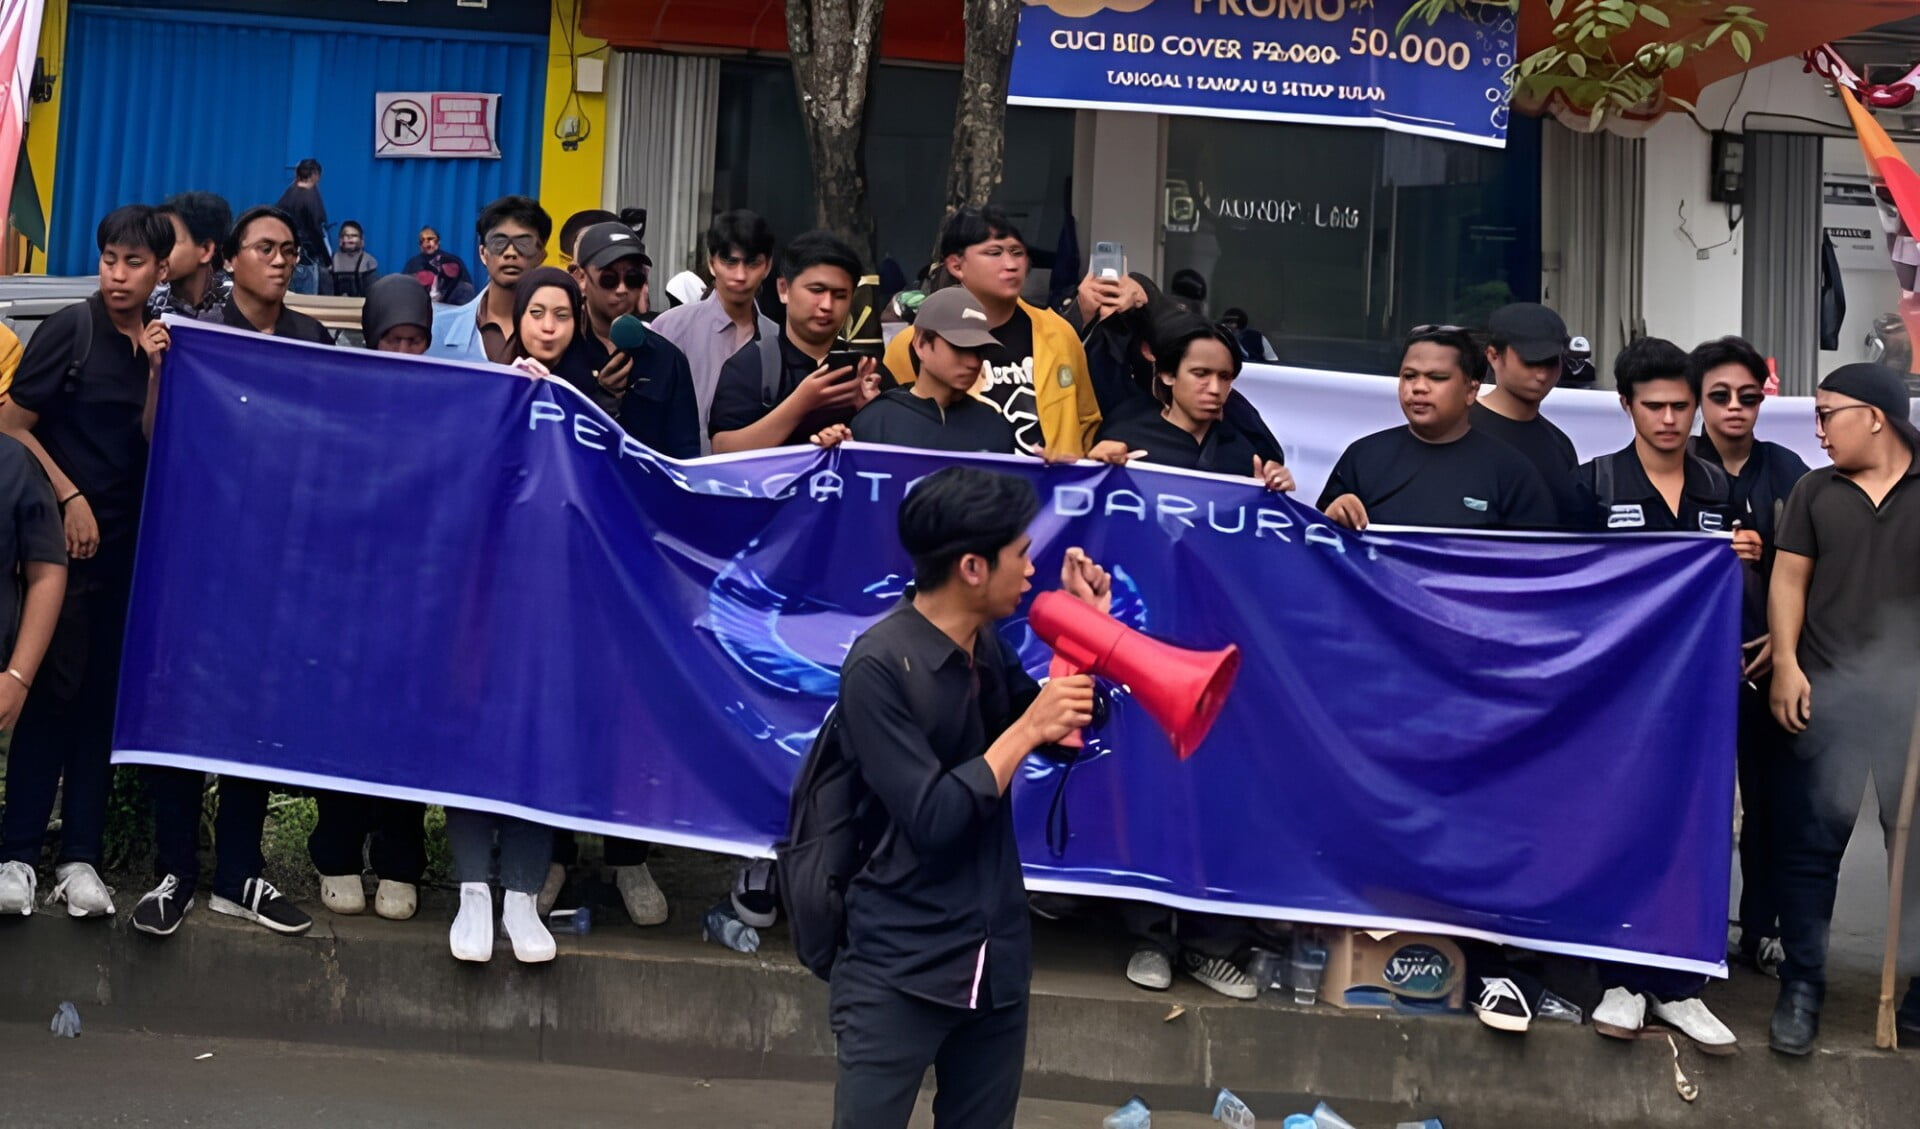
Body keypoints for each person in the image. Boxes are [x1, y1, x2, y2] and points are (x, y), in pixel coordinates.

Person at [830, 465, 1108, 1129]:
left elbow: (1059, 734)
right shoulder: (877, 666)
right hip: (900, 963)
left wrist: (1085, 636)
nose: (1032, 569)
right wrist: (1027, 725)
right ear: (973, 567)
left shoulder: (985, 645)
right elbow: (933, 816)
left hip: (995, 957)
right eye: (1020, 553)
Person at [1569, 336, 1759, 1055]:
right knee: (1618, 828)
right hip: (1616, 699)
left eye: (1683, 405)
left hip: (1703, 702)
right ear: (1627, 406)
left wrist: (1748, 558)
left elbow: (1736, 594)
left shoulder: (1719, 489)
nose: (1672, 419)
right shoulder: (1593, 486)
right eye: (1656, 406)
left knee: (1698, 831)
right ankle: (1619, 979)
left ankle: (1680, 985)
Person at [0, 206, 164, 919]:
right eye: (108, 260)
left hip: (130, 556)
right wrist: (67, 495)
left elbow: (155, 441)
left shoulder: (156, 344)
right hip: (59, 554)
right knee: (48, 699)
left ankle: (81, 859)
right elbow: (9, 423)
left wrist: (160, 371)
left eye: (133, 263)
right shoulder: (74, 327)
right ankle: (15, 855)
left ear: (161, 269)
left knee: (102, 706)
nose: (118, 274)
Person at [1766, 362, 1920, 1056]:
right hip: (1827, 692)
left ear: (1876, 417)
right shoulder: (1813, 490)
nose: (1819, 428)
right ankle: (1801, 985)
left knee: (1914, 851)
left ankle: (1916, 986)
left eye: (1829, 414)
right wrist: (1789, 664)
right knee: (1809, 849)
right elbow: (1789, 577)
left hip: (1911, 705)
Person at [439, 271, 578, 964]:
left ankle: (522, 893)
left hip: (565, 603)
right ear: (517, 321)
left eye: (562, 314)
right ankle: (472, 888)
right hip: (483, 595)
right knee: (475, 733)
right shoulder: (486, 390)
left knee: (541, 739)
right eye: (537, 313)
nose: (549, 326)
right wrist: (505, 399)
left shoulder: (594, 401)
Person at [303, 274, 434, 921]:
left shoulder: (449, 409)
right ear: (372, 338)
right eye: (394, 339)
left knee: (407, 735)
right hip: (345, 605)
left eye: (416, 341)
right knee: (341, 729)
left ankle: (402, 860)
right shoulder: (340, 406)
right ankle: (335, 852)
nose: (405, 353)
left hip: (417, 608)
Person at [1688, 336, 1812, 977]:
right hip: (1691, 668)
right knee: (1694, 806)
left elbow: (1819, 567)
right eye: (1719, 395)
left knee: (1771, 807)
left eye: (1748, 395)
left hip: (1769, 662)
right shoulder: (1674, 465)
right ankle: (1691, 928)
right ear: (1697, 400)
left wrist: (1785, 643)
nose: (1735, 407)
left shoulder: (1790, 470)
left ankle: (1762, 929)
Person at [884, 207, 1100, 460]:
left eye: (1017, 253)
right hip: (953, 490)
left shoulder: (1058, 332)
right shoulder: (917, 341)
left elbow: (1086, 420)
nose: (1011, 264)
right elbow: (890, 425)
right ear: (956, 265)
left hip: (1047, 493)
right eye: (994, 252)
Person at [1318, 327, 1555, 531]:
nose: (1419, 388)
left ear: (1471, 390)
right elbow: (1320, 545)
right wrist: (1335, 515)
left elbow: (1536, 565)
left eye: (1437, 377)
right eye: (1409, 376)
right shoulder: (1363, 457)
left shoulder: (1511, 472)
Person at [708, 231, 879, 454]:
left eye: (840, 295)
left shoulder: (866, 371)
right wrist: (801, 403)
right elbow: (722, 450)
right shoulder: (750, 366)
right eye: (817, 291)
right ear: (784, 289)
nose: (827, 305)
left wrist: (872, 411)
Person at [812, 287, 1016, 455]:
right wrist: (837, 454)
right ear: (921, 343)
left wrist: (1045, 471)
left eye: (980, 350)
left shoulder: (995, 427)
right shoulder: (877, 421)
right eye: (960, 347)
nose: (973, 362)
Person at [1099, 318, 1292, 490]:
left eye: (1224, 377)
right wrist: (1096, 468)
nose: (1215, 388)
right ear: (1168, 375)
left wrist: (1269, 494)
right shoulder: (1125, 441)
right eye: (1201, 374)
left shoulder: (1246, 454)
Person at [568, 221, 700, 463]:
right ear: (581, 278)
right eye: (609, 278)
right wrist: (603, 399)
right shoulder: (562, 349)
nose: (621, 289)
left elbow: (685, 456)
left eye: (633, 278)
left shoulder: (668, 358)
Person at [649, 210, 778, 448]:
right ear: (711, 263)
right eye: (730, 262)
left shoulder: (777, 340)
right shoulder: (670, 328)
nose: (740, 275)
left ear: (767, 266)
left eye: (752, 263)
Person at [1470, 304, 1581, 525]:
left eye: (1551, 361)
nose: (1541, 374)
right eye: (1530, 361)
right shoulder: (1458, 429)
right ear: (1493, 355)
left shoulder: (1559, 444)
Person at [430, 196, 552, 364]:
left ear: (541, 255)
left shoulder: (558, 333)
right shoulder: (438, 331)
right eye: (499, 242)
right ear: (483, 253)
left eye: (524, 243)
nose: (510, 252)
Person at [203, 206, 334, 343]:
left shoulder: (312, 337)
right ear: (229, 260)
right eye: (266, 250)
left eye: (288, 251)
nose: (280, 261)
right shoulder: (204, 336)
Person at [148, 191, 233, 319]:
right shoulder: (144, 300)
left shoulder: (237, 305)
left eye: (169, 240)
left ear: (206, 250)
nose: (156, 250)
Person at [275, 158, 328, 295]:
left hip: (284, 256)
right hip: (306, 257)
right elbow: (317, 230)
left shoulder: (287, 195)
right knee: (306, 305)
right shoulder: (310, 197)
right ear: (315, 174)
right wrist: (327, 259)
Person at [404, 227, 476, 306]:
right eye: (422, 240)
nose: (426, 243)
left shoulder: (453, 261)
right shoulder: (413, 264)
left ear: (438, 242)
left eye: (430, 239)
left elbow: (466, 288)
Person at [330, 220, 379, 299]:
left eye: (354, 235)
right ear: (340, 240)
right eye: (346, 235)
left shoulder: (369, 263)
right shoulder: (330, 262)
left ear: (362, 241)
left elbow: (373, 295)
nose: (350, 238)